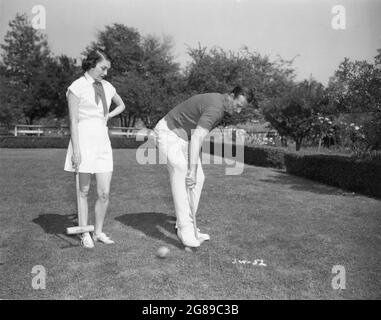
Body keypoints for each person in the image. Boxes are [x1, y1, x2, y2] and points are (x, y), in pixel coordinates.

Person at [153, 86, 253, 247]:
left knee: (199, 178)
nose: (239, 111)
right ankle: (185, 229)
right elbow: (198, 136)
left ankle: (186, 225)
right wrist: (190, 170)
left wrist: (194, 171)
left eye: (242, 108)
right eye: (238, 105)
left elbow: (195, 137)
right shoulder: (215, 108)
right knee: (180, 170)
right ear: (231, 95)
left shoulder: (220, 106)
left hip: (183, 139)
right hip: (167, 133)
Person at [64, 50, 125, 248]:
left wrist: (108, 116)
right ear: (91, 64)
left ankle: (98, 231)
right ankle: (84, 234)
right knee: (83, 190)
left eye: (107, 68)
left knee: (104, 192)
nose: (106, 72)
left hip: (102, 142)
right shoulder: (77, 87)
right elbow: (73, 121)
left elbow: (121, 105)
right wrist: (76, 150)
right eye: (103, 68)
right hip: (83, 140)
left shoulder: (107, 87)